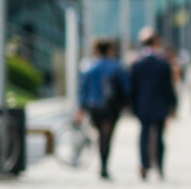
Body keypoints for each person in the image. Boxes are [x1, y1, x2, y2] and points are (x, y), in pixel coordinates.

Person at [76, 38, 130, 180]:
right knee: (107, 136)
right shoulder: (116, 67)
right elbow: (126, 88)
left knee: (100, 135)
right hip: (110, 106)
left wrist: (81, 108)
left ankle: (102, 163)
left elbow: (83, 89)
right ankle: (104, 165)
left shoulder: (89, 68)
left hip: (94, 107)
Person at [130, 27, 178, 180]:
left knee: (144, 134)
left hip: (142, 105)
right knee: (159, 136)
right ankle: (159, 165)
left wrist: (132, 105)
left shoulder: (137, 63)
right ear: (156, 42)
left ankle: (144, 165)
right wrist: (173, 105)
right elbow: (168, 87)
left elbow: (132, 88)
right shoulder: (163, 63)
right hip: (160, 104)